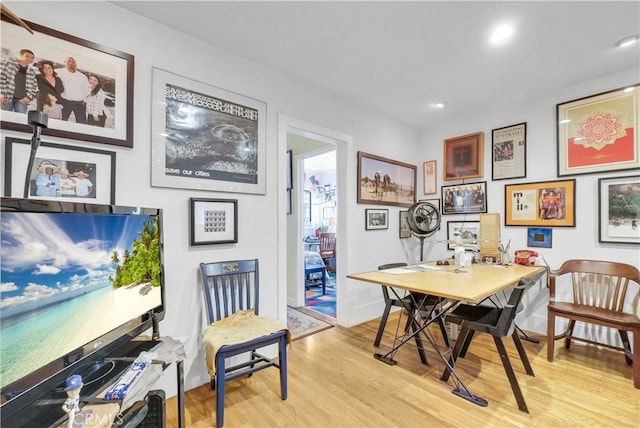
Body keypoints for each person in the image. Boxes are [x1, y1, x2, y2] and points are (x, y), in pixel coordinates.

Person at [0, 49, 38, 113]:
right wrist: (3, 95)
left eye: (32, 58)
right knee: (5, 119)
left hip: (22, 100)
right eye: (27, 56)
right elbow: (1, 78)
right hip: (8, 97)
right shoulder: (8, 64)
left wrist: (29, 98)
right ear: (21, 55)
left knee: (20, 120)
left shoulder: (31, 71)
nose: (29, 59)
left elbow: (34, 87)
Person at [56, 57, 90, 123]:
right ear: (65, 62)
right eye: (69, 61)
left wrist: (85, 100)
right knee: (61, 121)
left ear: (76, 64)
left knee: (81, 123)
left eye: (73, 62)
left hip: (80, 103)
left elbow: (88, 89)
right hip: (64, 101)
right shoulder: (58, 72)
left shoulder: (82, 77)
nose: (71, 63)